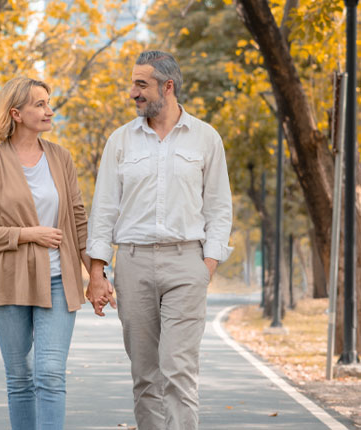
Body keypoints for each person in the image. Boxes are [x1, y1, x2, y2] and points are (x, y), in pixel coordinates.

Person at [86, 51, 233, 430]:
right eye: (132, 83)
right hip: (133, 264)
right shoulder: (120, 141)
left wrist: (207, 266)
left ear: (167, 87)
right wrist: (97, 273)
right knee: (145, 376)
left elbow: (219, 208)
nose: (132, 92)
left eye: (141, 84)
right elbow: (103, 211)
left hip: (187, 263)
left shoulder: (206, 138)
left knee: (178, 372)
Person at [0, 77, 91, 430]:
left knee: (50, 373)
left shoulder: (61, 158)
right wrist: (27, 235)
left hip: (57, 280)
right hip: (9, 283)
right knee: (20, 377)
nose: (49, 110)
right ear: (16, 113)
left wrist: (96, 274)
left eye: (49, 102)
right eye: (40, 104)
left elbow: (78, 220)